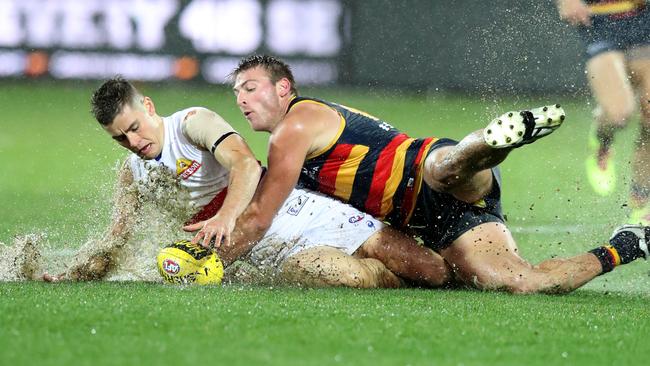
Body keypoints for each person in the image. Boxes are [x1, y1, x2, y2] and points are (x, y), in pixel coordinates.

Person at [225, 54, 650, 294]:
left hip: (421, 167)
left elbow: (262, 215)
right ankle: (626, 245)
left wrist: (216, 262)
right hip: (439, 219)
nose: (241, 100)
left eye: (250, 87)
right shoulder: (289, 142)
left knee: (447, 168)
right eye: (237, 92)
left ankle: (495, 139)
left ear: (284, 88)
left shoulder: (294, 127)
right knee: (520, 282)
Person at [43, 77, 451, 288]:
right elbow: (116, 240)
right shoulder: (132, 175)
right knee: (333, 274)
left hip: (295, 212)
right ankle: (389, 278)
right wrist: (75, 273)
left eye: (133, 128)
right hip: (262, 251)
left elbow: (245, 165)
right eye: (120, 139)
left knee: (434, 272)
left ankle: (439, 256)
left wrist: (225, 217)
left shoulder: (191, 123)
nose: (133, 143)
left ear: (148, 108)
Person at [556, 0, 650, 224]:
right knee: (619, 113)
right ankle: (603, 142)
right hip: (601, 19)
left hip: (644, 16)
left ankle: (642, 200)